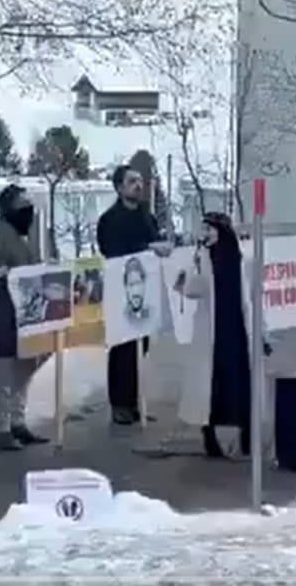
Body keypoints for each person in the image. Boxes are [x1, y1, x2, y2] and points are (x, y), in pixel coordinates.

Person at [172, 213, 252, 458]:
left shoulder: (241, 257)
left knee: (240, 383)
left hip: (236, 328)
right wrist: (186, 275)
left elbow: (251, 294)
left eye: (209, 229)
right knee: (211, 386)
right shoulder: (203, 257)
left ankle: (246, 437)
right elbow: (192, 289)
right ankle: (210, 439)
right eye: (203, 229)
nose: (205, 234)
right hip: (211, 330)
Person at [96, 165, 166, 425]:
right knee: (122, 349)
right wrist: (148, 247)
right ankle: (120, 404)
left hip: (145, 292)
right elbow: (113, 251)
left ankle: (136, 402)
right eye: (132, 181)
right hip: (121, 292)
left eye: (140, 181)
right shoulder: (110, 220)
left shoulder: (147, 217)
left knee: (141, 347)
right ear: (119, 187)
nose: (139, 185)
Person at [0, 185, 50, 451]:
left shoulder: (33, 231)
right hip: (5, 307)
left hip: (33, 307)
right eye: (22, 205)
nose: (28, 210)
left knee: (28, 362)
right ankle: (1, 428)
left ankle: (18, 420)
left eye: (29, 204)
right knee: (4, 367)